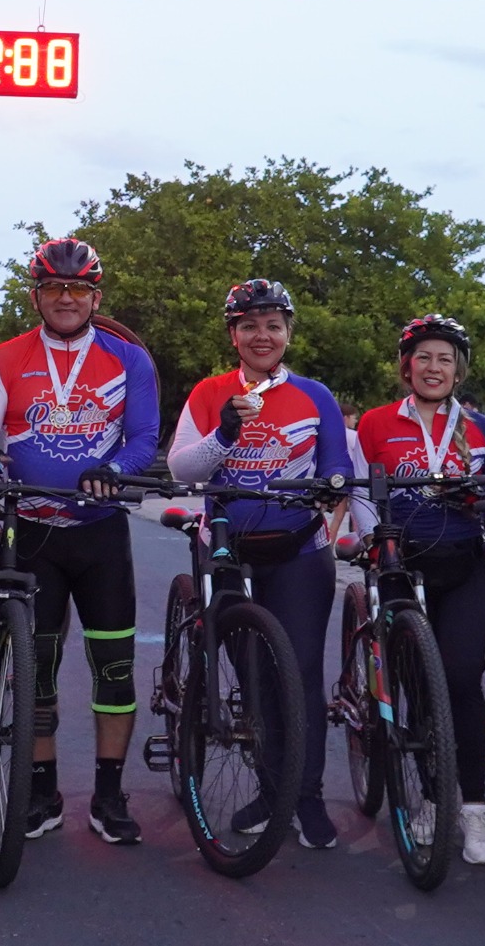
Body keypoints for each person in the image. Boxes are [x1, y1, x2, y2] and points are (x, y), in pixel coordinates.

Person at [0, 238, 159, 846]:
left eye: (77, 289)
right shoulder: (9, 356)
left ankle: (107, 792)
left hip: (99, 534)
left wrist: (118, 471)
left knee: (115, 672)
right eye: (54, 288)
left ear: (95, 296)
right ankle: (41, 790)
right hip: (33, 532)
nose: (66, 299)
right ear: (36, 296)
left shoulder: (128, 360)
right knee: (36, 673)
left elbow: (144, 436)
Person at [166, 278, 353, 849]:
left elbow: (338, 469)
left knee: (299, 676)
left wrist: (328, 498)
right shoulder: (209, 391)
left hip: (299, 550)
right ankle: (273, 791)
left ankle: (307, 797)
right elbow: (181, 471)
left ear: (288, 333)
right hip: (226, 549)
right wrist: (226, 430)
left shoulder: (315, 395)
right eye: (249, 325)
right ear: (234, 335)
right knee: (255, 679)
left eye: (273, 325)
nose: (262, 335)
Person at [349, 315, 485, 866]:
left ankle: (473, 806)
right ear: (407, 367)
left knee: (462, 678)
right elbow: (362, 490)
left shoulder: (482, 428)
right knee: (417, 681)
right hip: (400, 564)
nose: (434, 367)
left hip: (464, 563)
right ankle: (429, 797)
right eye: (424, 357)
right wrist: (371, 541)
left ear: (458, 369)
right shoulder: (374, 423)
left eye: (445, 359)